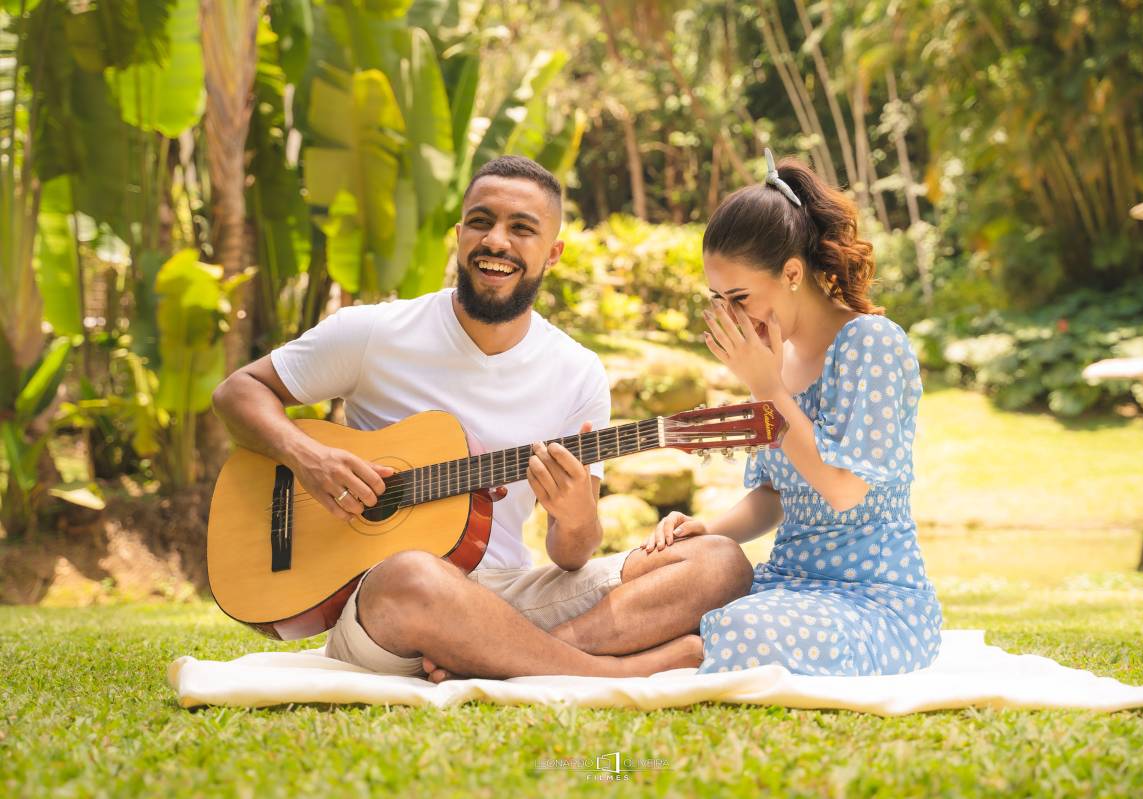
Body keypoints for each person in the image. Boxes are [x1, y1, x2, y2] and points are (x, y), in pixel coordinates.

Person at [212, 156, 752, 682]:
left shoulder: (576, 371)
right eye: (481, 222)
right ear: (459, 235)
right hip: (390, 606)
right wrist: (308, 457)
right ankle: (606, 670)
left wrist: (576, 513)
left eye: (522, 228)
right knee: (412, 572)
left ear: (553, 252)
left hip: (512, 594)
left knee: (718, 562)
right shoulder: (374, 332)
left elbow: (570, 556)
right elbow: (238, 392)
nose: (497, 240)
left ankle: (515, 656)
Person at [642, 150, 942, 676]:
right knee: (668, 586)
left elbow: (843, 490)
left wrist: (766, 387)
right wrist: (706, 528)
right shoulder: (777, 358)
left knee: (743, 628)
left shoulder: (870, 343)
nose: (730, 315)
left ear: (793, 272)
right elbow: (773, 498)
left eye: (739, 296)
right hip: (786, 583)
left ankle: (599, 667)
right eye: (718, 298)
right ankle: (606, 651)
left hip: (872, 602)